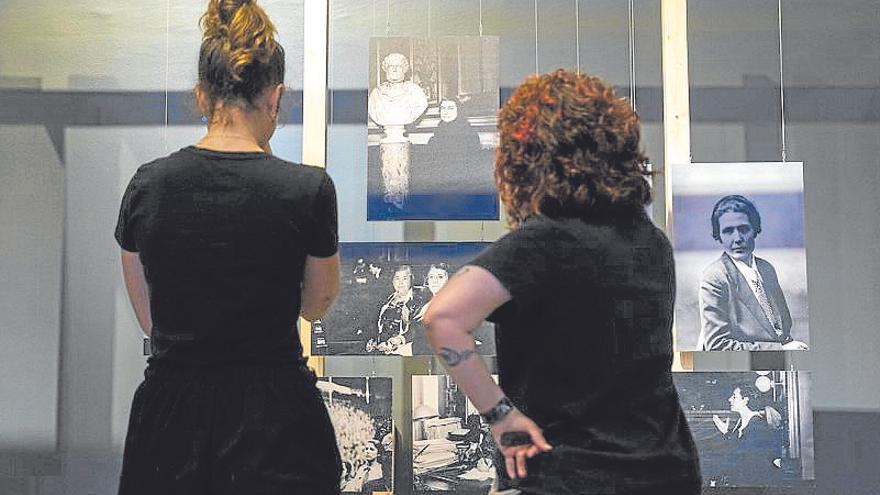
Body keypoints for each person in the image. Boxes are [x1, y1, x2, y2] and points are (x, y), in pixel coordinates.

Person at [423, 69, 701, 494]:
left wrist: (502, 418)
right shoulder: (651, 241)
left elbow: (442, 318)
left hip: (566, 473)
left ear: (525, 157)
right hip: (666, 472)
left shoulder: (542, 243)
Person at [114, 1, 342, 492]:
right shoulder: (307, 190)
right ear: (275, 97)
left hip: (172, 421)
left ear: (202, 94)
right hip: (277, 421)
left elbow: (152, 321)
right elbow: (315, 305)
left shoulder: (148, 186)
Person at [698, 195, 808, 351]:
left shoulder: (766, 268)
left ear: (755, 229)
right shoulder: (715, 277)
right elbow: (717, 346)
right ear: (719, 236)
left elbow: (782, 330)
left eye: (743, 229)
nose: (737, 238)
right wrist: (780, 350)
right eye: (728, 231)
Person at [369, 265, 423, 355]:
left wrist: (399, 340)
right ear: (393, 280)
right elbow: (375, 323)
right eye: (397, 278)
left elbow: (417, 330)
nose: (400, 282)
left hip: (404, 352)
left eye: (405, 278)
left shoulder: (418, 301)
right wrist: (373, 339)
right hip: (382, 349)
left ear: (411, 280)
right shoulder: (386, 299)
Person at [367, 52, 429, 127]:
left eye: (398, 66)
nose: (394, 69)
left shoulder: (415, 92)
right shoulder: (376, 94)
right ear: (386, 69)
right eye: (391, 66)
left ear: (404, 70)